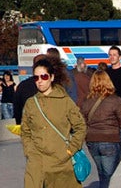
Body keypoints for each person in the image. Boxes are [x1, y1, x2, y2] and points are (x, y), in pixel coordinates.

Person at [21, 57, 86, 188]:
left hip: (61, 164)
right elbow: (25, 131)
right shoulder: (31, 103)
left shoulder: (65, 101)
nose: (39, 81)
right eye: (36, 78)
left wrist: (70, 150)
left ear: (51, 77)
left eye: (44, 77)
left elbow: (80, 127)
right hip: (37, 164)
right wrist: (29, 151)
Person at [80, 70, 121, 188]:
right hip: (110, 140)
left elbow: (82, 123)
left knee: (102, 173)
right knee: (109, 175)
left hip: (92, 141)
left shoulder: (87, 101)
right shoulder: (114, 100)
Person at [14, 54, 47, 124]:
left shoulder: (23, 85)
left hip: (31, 126)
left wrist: (19, 124)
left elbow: (17, 109)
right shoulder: (56, 84)